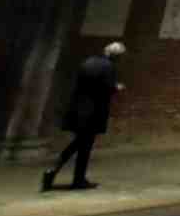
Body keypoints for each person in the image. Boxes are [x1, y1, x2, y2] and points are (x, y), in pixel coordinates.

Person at [42, 41, 125, 192]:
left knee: (81, 144)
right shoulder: (109, 67)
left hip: (77, 109)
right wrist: (116, 87)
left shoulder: (88, 62)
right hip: (92, 112)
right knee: (82, 145)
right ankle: (62, 174)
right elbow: (105, 88)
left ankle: (71, 176)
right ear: (116, 56)